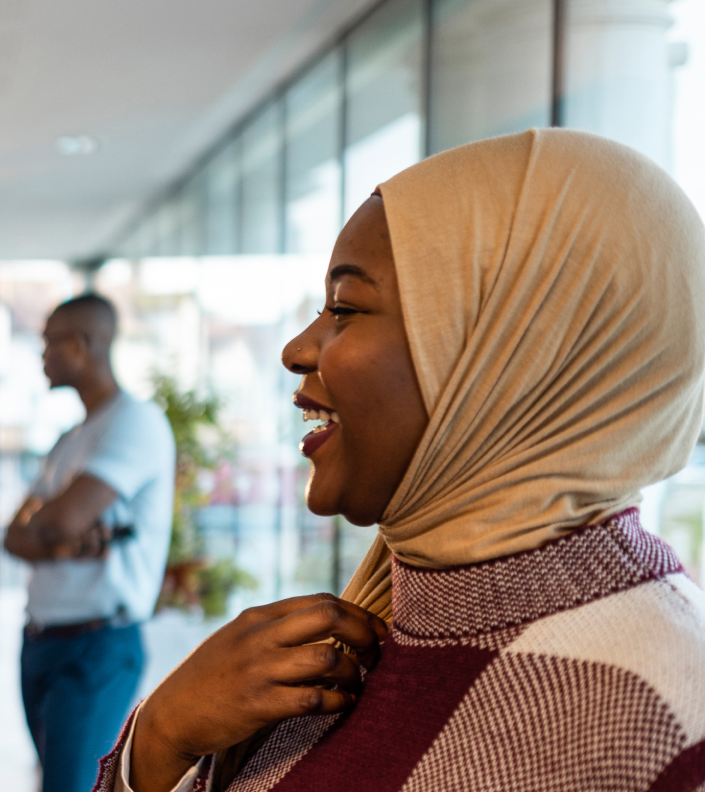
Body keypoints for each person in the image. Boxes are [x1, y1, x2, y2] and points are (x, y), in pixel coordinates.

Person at [109, 128, 705, 792]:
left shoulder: (658, 717)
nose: (298, 349)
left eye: (345, 308)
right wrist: (160, 739)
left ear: (507, 356)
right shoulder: (354, 638)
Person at [2, 293, 174, 792]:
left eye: (49, 342)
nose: (42, 356)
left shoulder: (134, 421)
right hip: (42, 641)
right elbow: (16, 536)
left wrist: (54, 532)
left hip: (94, 645)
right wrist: (63, 541)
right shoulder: (72, 438)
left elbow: (55, 522)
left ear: (79, 346)